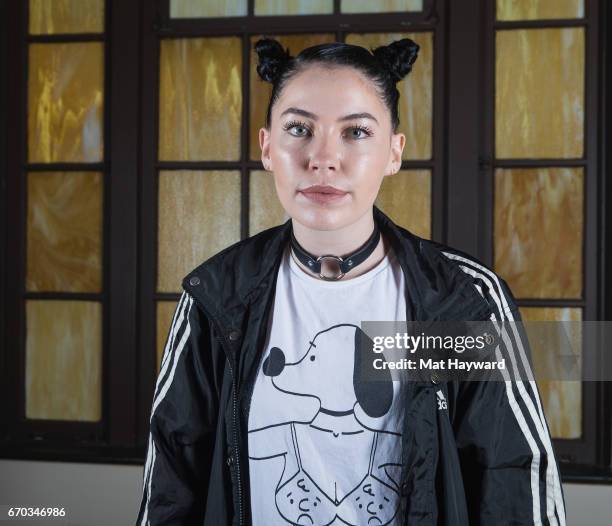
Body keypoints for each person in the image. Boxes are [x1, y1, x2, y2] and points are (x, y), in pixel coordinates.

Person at [136, 37, 567, 526]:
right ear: (267, 147)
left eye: (356, 132)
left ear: (394, 152)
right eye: (298, 128)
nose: (323, 158)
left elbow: (512, 474)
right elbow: (172, 477)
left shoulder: (458, 298)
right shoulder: (216, 295)